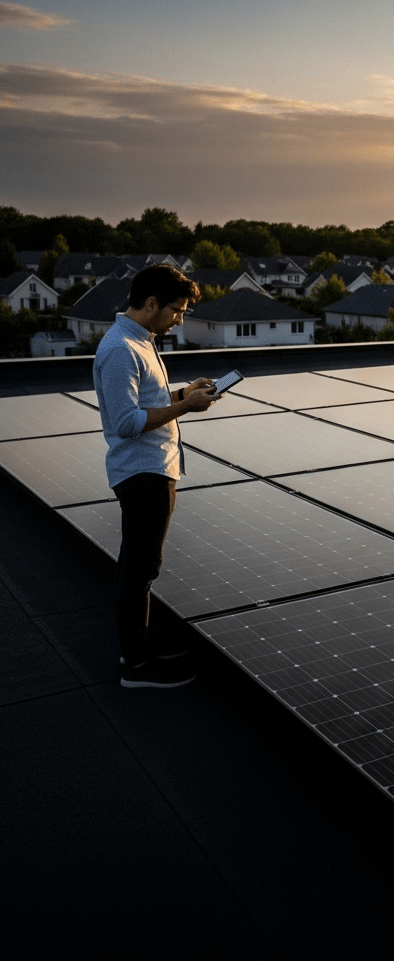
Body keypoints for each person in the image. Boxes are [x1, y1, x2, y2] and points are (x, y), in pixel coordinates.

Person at [93, 264, 221, 688]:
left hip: (155, 468)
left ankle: (142, 642)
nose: (180, 320)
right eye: (177, 310)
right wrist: (185, 407)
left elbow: (145, 401)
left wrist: (184, 393)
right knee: (141, 568)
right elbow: (127, 422)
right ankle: (137, 665)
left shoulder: (140, 341)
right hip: (142, 473)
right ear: (151, 303)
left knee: (139, 562)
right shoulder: (121, 349)